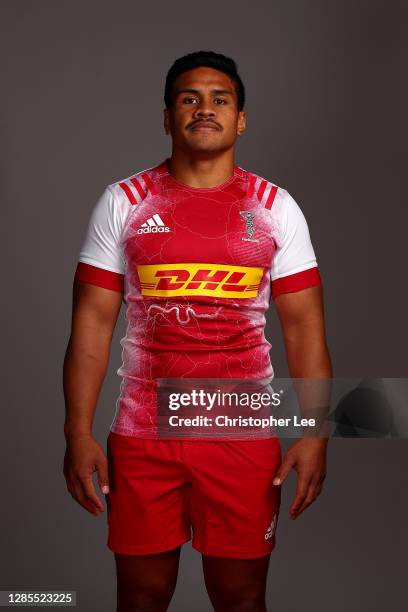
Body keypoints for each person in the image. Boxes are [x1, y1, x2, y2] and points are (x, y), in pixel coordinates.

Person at [63, 50, 332, 612]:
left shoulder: (275, 207)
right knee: (142, 595)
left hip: (243, 433)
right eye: (189, 98)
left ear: (241, 119)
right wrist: (78, 432)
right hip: (142, 434)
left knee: (238, 597)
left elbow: (305, 329)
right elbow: (91, 324)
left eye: (219, 99)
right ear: (167, 117)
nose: (204, 109)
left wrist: (313, 433)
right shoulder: (125, 202)